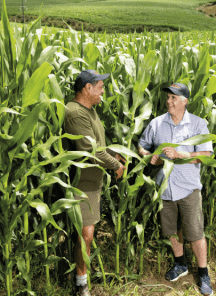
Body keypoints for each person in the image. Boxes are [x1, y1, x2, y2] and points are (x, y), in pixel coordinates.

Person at [138, 82, 214, 295]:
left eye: (174, 98)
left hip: (188, 189)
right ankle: (180, 264)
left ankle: (203, 272)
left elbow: (206, 156)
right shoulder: (156, 123)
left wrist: (182, 155)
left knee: (196, 233)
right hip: (165, 189)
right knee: (171, 231)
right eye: (168, 97)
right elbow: (142, 146)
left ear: (185, 101)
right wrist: (149, 156)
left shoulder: (198, 125)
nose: (169, 101)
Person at [64, 70, 126, 296]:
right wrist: (116, 165)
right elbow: (90, 152)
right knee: (86, 234)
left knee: (87, 232)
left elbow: (99, 145)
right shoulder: (74, 113)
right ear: (87, 88)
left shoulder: (90, 111)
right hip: (82, 184)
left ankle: (83, 275)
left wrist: (113, 154)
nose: (103, 91)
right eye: (100, 86)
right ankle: (81, 284)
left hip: (93, 182)